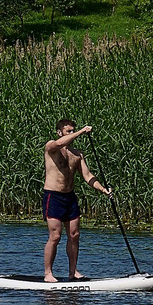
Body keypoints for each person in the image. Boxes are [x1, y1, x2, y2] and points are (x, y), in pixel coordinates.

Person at [39, 120, 113, 282]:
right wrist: (81, 131)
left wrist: (103, 190)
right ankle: (48, 274)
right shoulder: (51, 147)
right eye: (68, 132)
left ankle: (73, 272)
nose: (72, 134)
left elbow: (87, 176)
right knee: (55, 236)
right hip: (53, 196)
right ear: (59, 132)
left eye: (73, 131)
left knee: (74, 235)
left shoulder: (77, 154)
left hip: (70, 197)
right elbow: (59, 144)